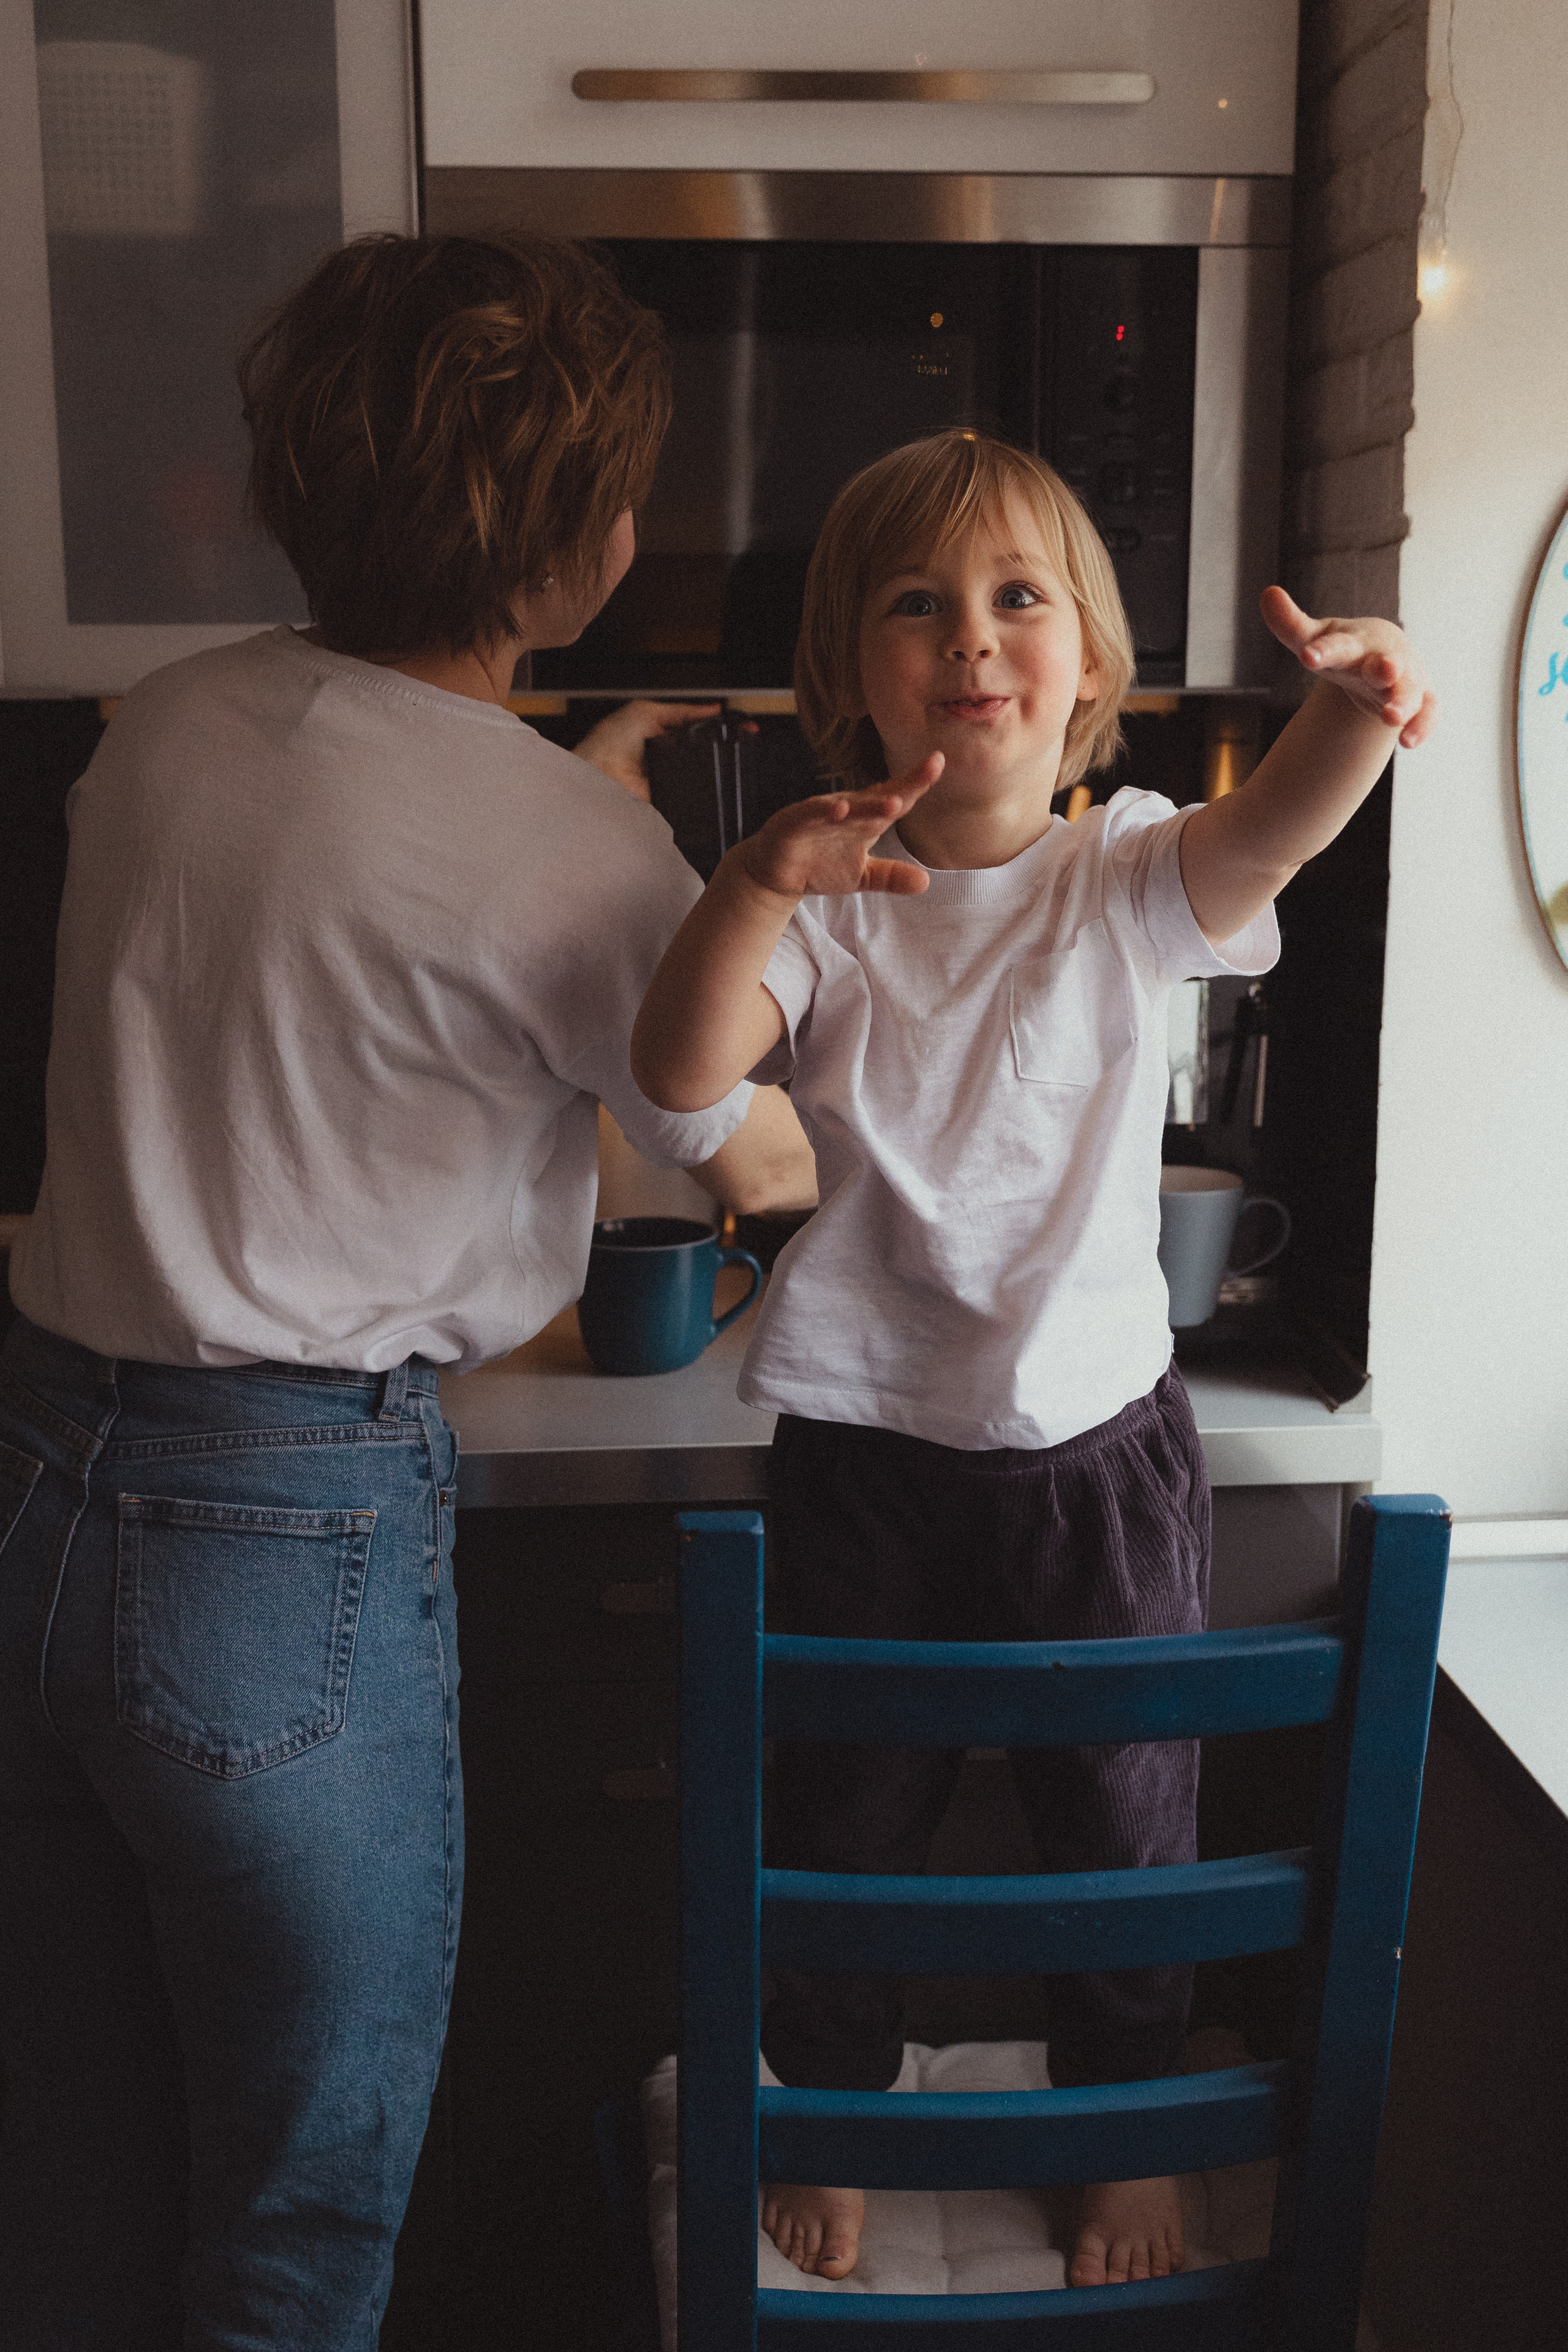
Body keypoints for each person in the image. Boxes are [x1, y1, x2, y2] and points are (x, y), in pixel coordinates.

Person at [0, 231, 811, 2350]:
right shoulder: (568, 859)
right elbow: (752, 1151)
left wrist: (590, 829)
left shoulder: (158, 728)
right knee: (299, 2213)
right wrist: (651, 885)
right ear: (587, 543)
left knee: (75, 2185)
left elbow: (339, 927)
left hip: (37, 1483)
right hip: (283, 1542)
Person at [631, 428, 1436, 2291]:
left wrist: (1361, 706)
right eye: (917, 605)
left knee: (1126, 1823)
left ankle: (1119, 2124)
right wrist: (752, 881)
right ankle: (824, 2106)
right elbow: (679, 1083)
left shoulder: (1131, 872)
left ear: (1090, 664)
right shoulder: (825, 897)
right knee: (836, 1824)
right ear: (848, 667)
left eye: (1018, 599)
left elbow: (1285, 825)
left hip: (1096, 1450)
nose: (971, 638)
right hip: (859, 1446)